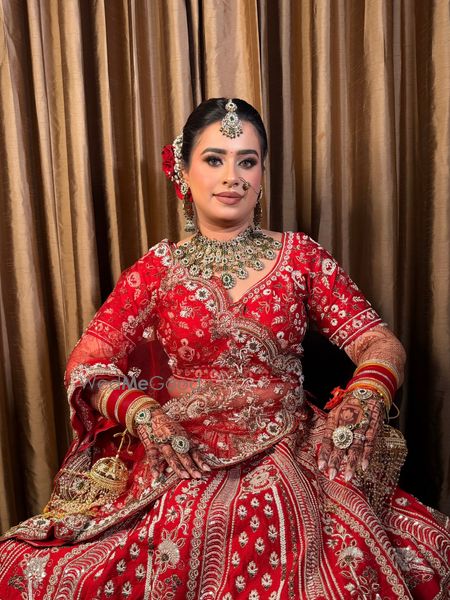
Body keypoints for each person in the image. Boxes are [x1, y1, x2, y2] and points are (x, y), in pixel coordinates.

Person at [0, 98, 448, 600]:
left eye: (247, 161)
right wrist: (143, 413)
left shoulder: (300, 256)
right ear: (183, 171)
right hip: (185, 455)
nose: (232, 176)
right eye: (214, 159)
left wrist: (367, 392)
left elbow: (378, 341)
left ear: (261, 175)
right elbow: (86, 363)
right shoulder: (158, 269)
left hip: (291, 445)